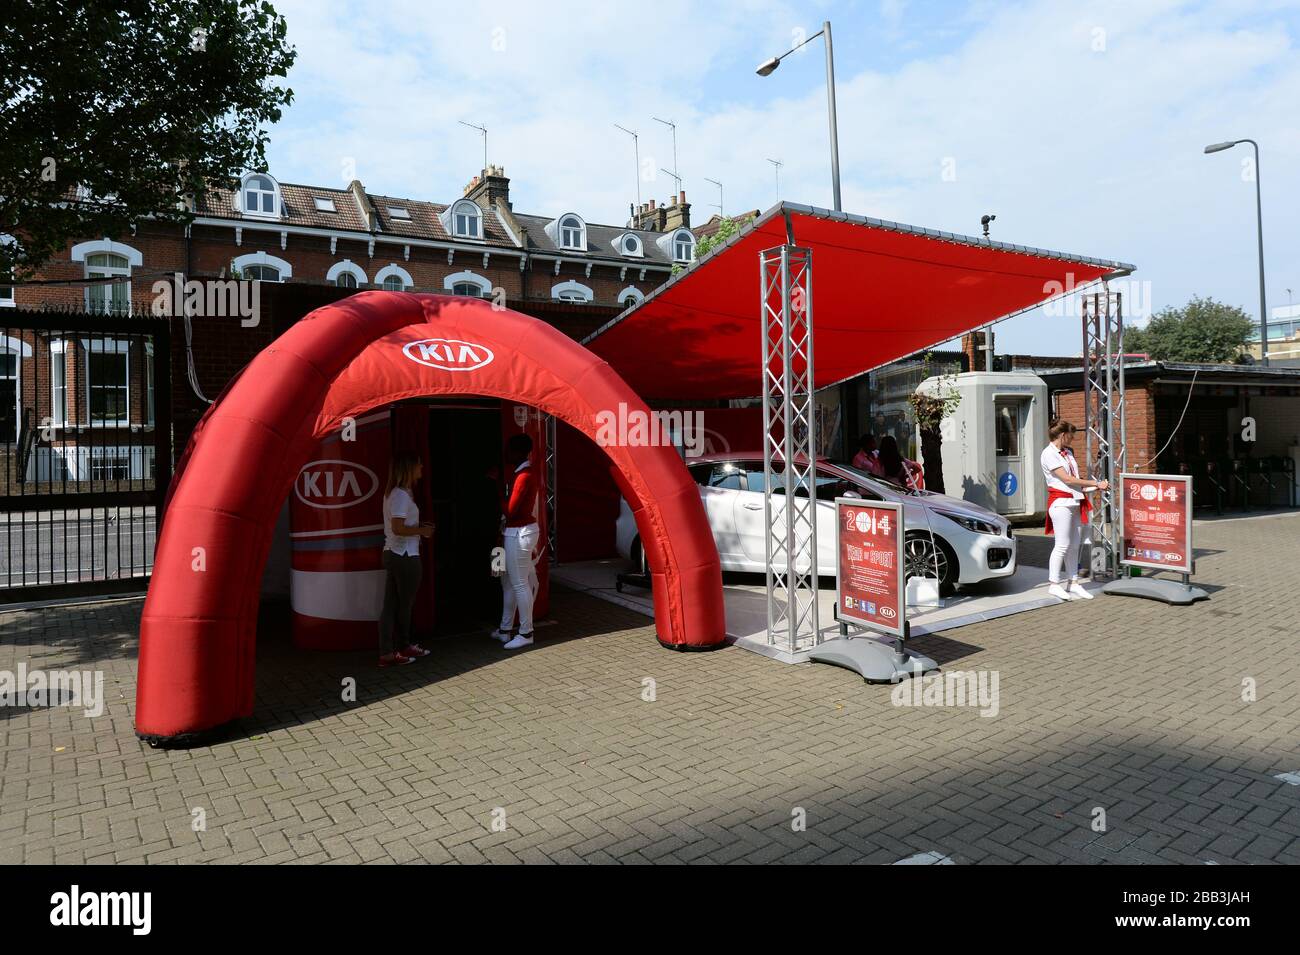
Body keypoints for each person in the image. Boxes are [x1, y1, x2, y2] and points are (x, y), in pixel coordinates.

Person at [1041, 419, 1108, 601]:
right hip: (1061, 504)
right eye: (1071, 436)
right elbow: (1068, 479)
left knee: (1074, 546)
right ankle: (1054, 584)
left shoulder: (1068, 453)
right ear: (1063, 435)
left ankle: (1074, 582)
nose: (1072, 440)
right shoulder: (1048, 453)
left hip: (1074, 502)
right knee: (1062, 545)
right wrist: (1096, 483)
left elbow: (1074, 480)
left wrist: (1095, 487)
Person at [378, 451, 433, 667]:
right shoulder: (400, 495)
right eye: (418, 465)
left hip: (395, 553)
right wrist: (422, 531)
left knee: (392, 604)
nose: (421, 468)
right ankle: (400, 646)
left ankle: (391, 650)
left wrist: (418, 528)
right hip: (404, 555)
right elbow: (398, 527)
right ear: (408, 468)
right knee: (403, 605)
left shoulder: (398, 493)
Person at [491, 433, 541, 650]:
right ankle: (506, 630)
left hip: (518, 533)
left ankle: (526, 632)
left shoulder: (524, 476)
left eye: (509, 450)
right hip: (517, 532)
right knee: (512, 583)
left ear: (517, 452)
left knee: (519, 583)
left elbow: (510, 511)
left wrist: (497, 489)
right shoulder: (523, 473)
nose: (506, 454)